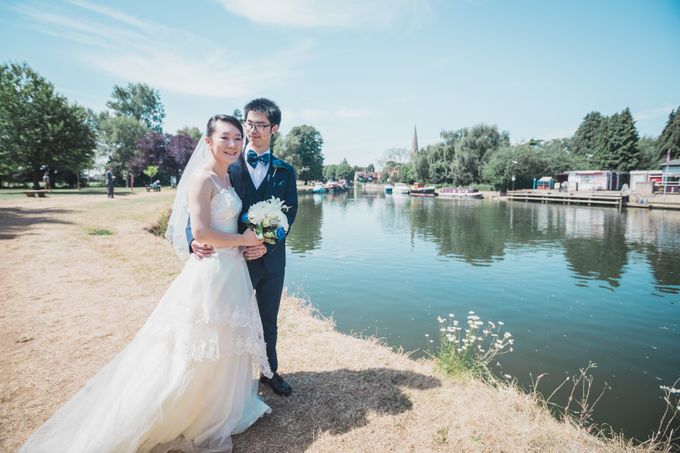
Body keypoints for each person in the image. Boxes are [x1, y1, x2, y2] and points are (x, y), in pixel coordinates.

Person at [20, 115, 273, 452]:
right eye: (225, 137)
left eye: (237, 138)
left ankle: (220, 406)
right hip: (212, 272)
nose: (232, 144)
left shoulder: (228, 177)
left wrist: (249, 238)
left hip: (231, 271)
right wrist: (242, 240)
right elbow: (200, 232)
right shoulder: (201, 178)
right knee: (198, 342)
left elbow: (225, 222)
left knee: (224, 341)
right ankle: (185, 410)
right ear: (208, 141)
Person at [188, 98, 298, 397]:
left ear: (273, 129)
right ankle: (227, 383)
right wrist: (193, 240)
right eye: (248, 123)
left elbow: (289, 216)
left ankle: (269, 372)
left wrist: (267, 247)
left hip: (271, 263)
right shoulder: (226, 163)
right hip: (229, 261)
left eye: (260, 125)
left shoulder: (285, 171)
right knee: (226, 324)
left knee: (267, 321)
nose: (251, 130)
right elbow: (198, 211)